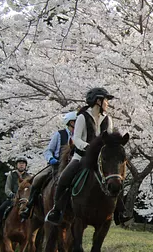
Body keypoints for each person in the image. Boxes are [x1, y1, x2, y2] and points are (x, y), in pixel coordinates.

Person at [45, 88, 115, 225]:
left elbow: (109, 138)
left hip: (100, 160)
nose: (107, 103)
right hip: (81, 157)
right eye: (105, 100)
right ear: (98, 101)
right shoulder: (82, 117)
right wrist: (89, 147)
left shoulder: (108, 119)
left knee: (116, 178)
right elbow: (76, 139)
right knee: (64, 178)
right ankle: (56, 210)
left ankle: (119, 211)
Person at [20, 111, 77, 220]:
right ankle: (30, 206)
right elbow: (48, 150)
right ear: (70, 122)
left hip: (73, 165)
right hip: (57, 164)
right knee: (37, 179)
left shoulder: (80, 135)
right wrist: (51, 159)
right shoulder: (59, 134)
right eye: (75, 121)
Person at [0, 157, 31, 238]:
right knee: (0, 210)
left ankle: (32, 234)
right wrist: (11, 194)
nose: (21, 165)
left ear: (25, 166)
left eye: (23, 163)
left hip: (24, 200)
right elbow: (7, 187)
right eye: (20, 163)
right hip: (12, 199)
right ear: (16, 165)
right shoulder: (12, 175)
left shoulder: (29, 176)